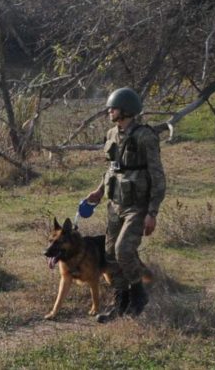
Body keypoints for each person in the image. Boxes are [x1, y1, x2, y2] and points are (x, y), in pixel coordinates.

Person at [84, 87, 166, 323]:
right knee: (109, 254)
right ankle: (120, 304)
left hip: (137, 206)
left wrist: (152, 212)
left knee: (124, 251)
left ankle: (139, 296)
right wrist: (100, 191)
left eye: (114, 107)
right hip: (115, 203)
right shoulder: (112, 134)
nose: (110, 111)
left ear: (127, 110)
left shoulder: (145, 136)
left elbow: (157, 176)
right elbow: (113, 168)